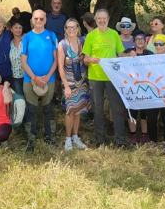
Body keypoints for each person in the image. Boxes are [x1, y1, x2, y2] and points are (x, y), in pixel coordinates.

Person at [82, 9, 129, 148]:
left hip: (113, 77)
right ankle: (100, 139)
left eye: (104, 18)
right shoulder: (91, 36)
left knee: (117, 108)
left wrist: (131, 58)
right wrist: (92, 59)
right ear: (95, 20)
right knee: (97, 109)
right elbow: (85, 59)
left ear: (108, 19)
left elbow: (121, 55)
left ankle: (120, 140)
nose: (102, 21)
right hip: (95, 77)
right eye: (99, 19)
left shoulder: (114, 34)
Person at [20, 10, 58, 151]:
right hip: (30, 80)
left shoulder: (52, 35)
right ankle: (31, 139)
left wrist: (47, 77)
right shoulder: (27, 37)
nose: (38, 21)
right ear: (32, 20)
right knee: (31, 110)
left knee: (48, 109)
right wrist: (35, 78)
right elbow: (23, 62)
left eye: (41, 18)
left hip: (49, 79)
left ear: (45, 20)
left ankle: (50, 137)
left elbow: (56, 59)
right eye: (36, 18)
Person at [57, 18, 90, 151]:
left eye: (73, 27)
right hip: (69, 82)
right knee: (70, 111)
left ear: (78, 28)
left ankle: (76, 136)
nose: (71, 30)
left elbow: (86, 60)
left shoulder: (82, 41)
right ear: (65, 29)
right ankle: (68, 139)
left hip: (82, 81)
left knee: (79, 110)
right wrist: (66, 86)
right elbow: (60, 67)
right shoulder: (62, 45)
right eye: (68, 27)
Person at [144, 33, 165, 147]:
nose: (158, 46)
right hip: (152, 93)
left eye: (161, 44)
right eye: (156, 44)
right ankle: (153, 141)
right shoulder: (149, 59)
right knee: (151, 117)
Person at [128, 32, 152, 142]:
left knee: (144, 112)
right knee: (132, 110)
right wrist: (128, 55)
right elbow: (118, 58)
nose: (140, 41)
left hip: (146, 87)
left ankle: (144, 134)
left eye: (142, 39)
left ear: (145, 41)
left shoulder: (150, 54)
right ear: (134, 42)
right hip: (131, 86)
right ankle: (132, 134)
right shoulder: (128, 53)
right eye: (137, 39)